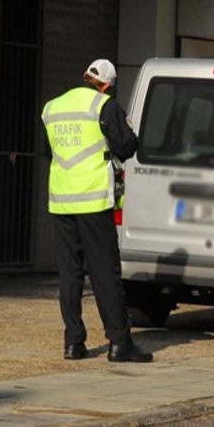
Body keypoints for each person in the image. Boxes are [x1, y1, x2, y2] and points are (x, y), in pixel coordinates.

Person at [42, 59, 152, 363]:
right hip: (93, 200)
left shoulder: (52, 107)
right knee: (105, 272)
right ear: (107, 85)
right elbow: (127, 145)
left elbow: (46, 151)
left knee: (70, 274)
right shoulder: (104, 106)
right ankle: (119, 342)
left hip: (62, 201)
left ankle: (73, 343)